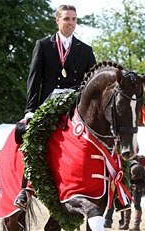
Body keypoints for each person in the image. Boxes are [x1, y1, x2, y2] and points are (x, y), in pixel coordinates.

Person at [14, 4, 96, 209]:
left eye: (74, 19)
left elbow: (92, 81)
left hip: (74, 106)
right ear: (57, 20)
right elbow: (34, 79)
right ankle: (25, 189)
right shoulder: (43, 45)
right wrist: (30, 109)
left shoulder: (85, 50)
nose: (70, 23)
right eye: (66, 19)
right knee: (31, 135)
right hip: (47, 104)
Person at [104, 159, 145, 231]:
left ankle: (136, 225)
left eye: (135, 177)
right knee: (126, 204)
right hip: (126, 187)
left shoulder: (142, 171)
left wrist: (137, 187)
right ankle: (125, 224)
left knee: (137, 205)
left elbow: (144, 182)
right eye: (132, 175)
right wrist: (127, 187)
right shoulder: (125, 168)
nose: (133, 177)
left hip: (137, 188)